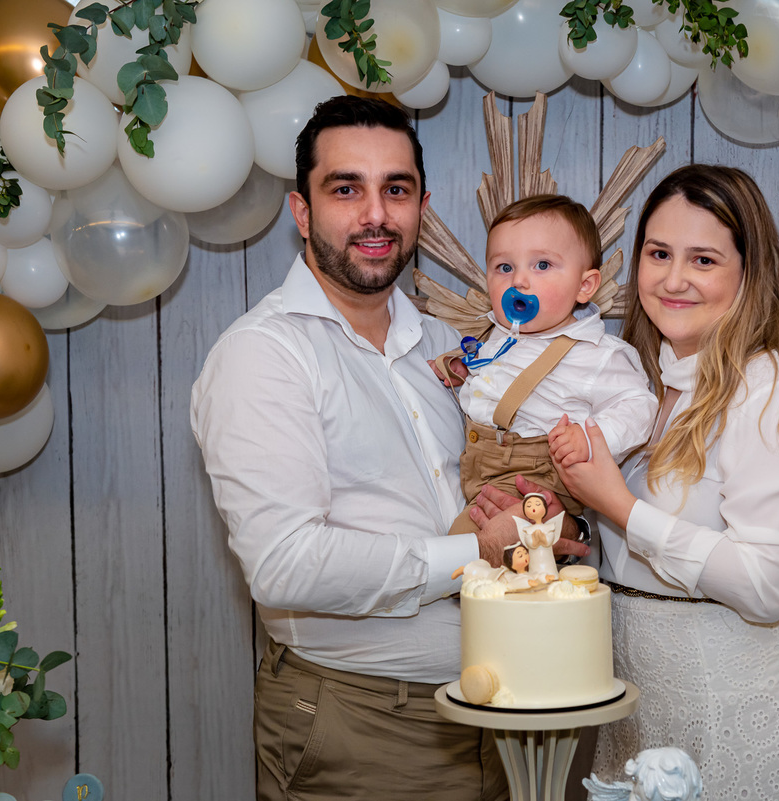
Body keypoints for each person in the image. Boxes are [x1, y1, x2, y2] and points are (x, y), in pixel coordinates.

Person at [189, 95, 583, 801]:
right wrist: (484, 550)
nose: (376, 214)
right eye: (347, 188)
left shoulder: (450, 350)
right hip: (362, 722)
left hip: (504, 711)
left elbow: (514, 484)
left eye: (395, 189)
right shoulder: (263, 355)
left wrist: (555, 518)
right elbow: (285, 566)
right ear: (302, 212)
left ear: (421, 209)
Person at [550, 165, 779, 800]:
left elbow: (768, 587)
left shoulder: (767, 387)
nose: (674, 279)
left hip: (756, 711)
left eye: (703, 259)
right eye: (658, 253)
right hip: (647, 715)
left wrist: (619, 506)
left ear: (748, 275)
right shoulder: (635, 382)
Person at [435, 194, 657, 537]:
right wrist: (467, 371)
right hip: (480, 467)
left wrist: (589, 437)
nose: (519, 281)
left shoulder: (595, 353)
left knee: (467, 544)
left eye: (541, 265)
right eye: (504, 268)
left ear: (584, 286)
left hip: (535, 479)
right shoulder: (500, 334)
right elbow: (499, 379)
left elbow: (640, 407)